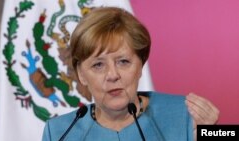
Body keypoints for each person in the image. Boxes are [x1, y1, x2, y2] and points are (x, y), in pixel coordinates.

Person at [42, 7, 219, 141]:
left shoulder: (186, 113)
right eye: (98, 65)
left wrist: (213, 134)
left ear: (140, 65)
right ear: (81, 74)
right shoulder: (59, 132)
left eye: (123, 62)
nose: (112, 75)